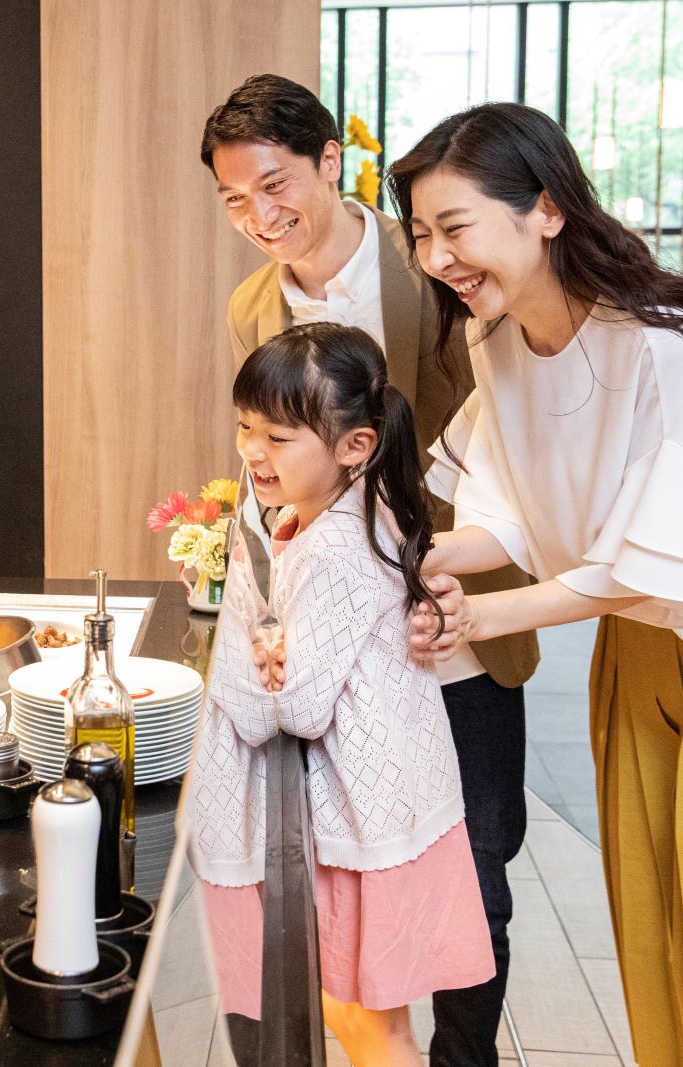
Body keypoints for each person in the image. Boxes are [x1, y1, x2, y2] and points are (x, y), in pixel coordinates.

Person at [200, 74, 538, 1066]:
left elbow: (507, 441)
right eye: (233, 200)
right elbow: (272, 464)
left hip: (454, 619)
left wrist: (439, 567)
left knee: (478, 876)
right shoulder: (250, 304)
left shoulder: (431, 266)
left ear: (329, 162)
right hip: (343, 654)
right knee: (355, 881)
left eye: (274, 186)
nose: (259, 218)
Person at [390, 101, 683, 1067]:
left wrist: (482, 612)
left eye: (455, 226)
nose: (438, 257)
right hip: (640, 653)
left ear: (547, 210)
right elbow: (510, 513)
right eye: (422, 234)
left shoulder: (660, 342)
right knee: (649, 909)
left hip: (657, 619)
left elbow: (644, 559)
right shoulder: (497, 340)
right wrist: (417, 563)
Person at [190, 321, 495, 1067]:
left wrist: (246, 658)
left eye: (278, 437)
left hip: (362, 822)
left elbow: (289, 705)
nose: (252, 451)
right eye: (245, 427)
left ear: (354, 445)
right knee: (365, 1020)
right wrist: (268, 646)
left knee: (368, 1028)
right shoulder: (345, 512)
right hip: (380, 812)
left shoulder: (334, 545)